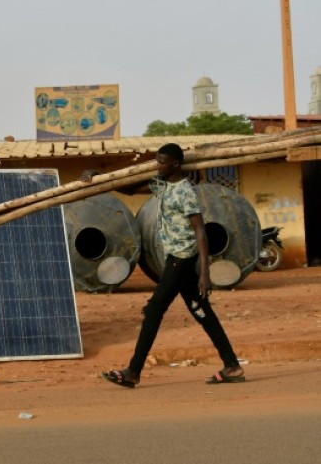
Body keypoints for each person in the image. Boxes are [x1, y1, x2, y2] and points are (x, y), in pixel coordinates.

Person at [97, 143, 245, 387]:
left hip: (182, 259)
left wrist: (205, 273)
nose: (158, 166)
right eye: (157, 161)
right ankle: (232, 365)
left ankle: (133, 371)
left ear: (176, 164)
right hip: (174, 258)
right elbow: (130, 190)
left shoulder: (186, 192)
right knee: (201, 310)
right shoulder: (163, 185)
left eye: (162, 162)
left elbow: (201, 231)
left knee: (154, 310)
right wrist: (100, 178)